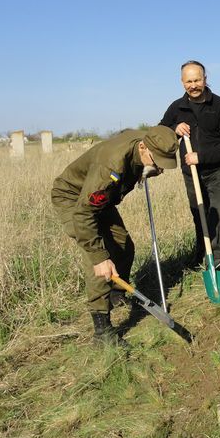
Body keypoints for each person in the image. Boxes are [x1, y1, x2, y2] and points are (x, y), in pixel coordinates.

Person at [51, 126, 179, 344]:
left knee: (124, 246)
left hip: (102, 200)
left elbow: (134, 154)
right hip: (75, 200)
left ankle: (116, 294)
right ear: (142, 146)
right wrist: (99, 258)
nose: (159, 166)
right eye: (156, 160)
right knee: (100, 258)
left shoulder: (143, 141)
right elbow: (84, 214)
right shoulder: (109, 166)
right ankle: (102, 329)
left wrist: (143, 169)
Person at [160, 60, 220, 270]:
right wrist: (174, 128)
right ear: (182, 82)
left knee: (217, 208)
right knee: (198, 212)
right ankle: (201, 254)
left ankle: (219, 257)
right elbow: (160, 133)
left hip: (218, 170)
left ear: (205, 79)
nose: (193, 85)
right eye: (188, 81)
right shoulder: (177, 108)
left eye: (197, 80)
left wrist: (200, 157)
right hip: (190, 173)